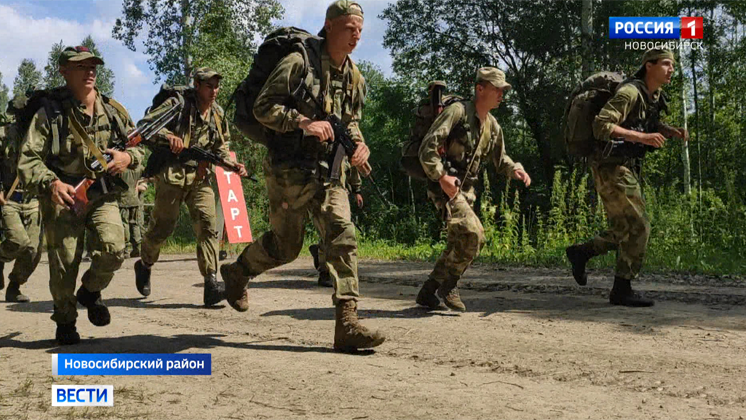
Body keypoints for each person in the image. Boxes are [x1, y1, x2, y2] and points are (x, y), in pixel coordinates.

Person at [220, 0, 386, 352]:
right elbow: (262, 107)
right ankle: (238, 272)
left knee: (342, 234)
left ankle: (347, 323)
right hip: (289, 169)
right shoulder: (299, 62)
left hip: (329, 172)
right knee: (286, 247)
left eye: (359, 28)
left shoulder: (355, 77)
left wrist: (359, 146)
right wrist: (303, 123)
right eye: (348, 27)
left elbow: (351, 122)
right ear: (329, 26)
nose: (355, 35)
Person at [18, 46, 143, 345]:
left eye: (92, 66)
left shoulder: (113, 110)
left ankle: (89, 291)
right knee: (64, 264)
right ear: (63, 71)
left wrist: (128, 158)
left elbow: (138, 145)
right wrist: (52, 183)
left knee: (115, 249)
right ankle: (65, 321)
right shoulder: (50, 113)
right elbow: (28, 159)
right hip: (65, 196)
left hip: (101, 194)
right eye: (81, 66)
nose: (90, 71)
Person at [565, 49, 687, 307]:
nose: (671, 69)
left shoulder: (651, 96)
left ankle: (581, 253)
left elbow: (640, 124)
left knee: (624, 228)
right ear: (649, 66)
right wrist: (643, 139)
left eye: (673, 65)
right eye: (666, 64)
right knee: (639, 226)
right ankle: (622, 289)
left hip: (622, 167)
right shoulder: (630, 92)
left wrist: (667, 131)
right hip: (611, 167)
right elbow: (602, 126)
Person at [415, 67, 531, 312]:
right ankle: (449, 285)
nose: (502, 94)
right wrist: (441, 177)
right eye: (497, 89)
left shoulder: (493, 125)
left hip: (466, 191)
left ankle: (428, 291)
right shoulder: (457, 112)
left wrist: (515, 170)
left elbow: (501, 160)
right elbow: (427, 148)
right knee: (473, 234)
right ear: (480, 89)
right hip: (444, 186)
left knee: (461, 242)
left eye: (503, 90)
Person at [134, 67, 247, 306]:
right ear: (197, 85)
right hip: (172, 175)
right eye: (209, 85)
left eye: (217, 86)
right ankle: (144, 264)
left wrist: (233, 165)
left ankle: (211, 282)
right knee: (161, 230)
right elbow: (144, 126)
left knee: (208, 226)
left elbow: (221, 147)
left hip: (200, 177)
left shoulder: (217, 114)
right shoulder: (177, 104)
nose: (214, 91)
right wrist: (169, 138)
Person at [0, 122, 44, 302]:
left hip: (34, 199)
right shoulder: (4, 134)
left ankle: (14, 286)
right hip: (9, 198)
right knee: (18, 241)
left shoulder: (46, 133)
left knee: (33, 250)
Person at [309, 164, 363, 287]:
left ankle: (328, 266)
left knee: (341, 231)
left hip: (338, 190)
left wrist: (357, 190)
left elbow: (352, 164)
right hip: (314, 190)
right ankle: (324, 270)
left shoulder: (344, 145)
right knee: (325, 232)